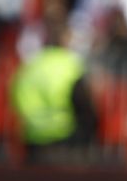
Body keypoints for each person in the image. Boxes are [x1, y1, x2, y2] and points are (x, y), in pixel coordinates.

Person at [11, 22, 98, 165]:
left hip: (34, 142)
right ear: (65, 40)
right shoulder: (70, 65)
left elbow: (14, 95)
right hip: (66, 141)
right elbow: (84, 102)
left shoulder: (30, 66)